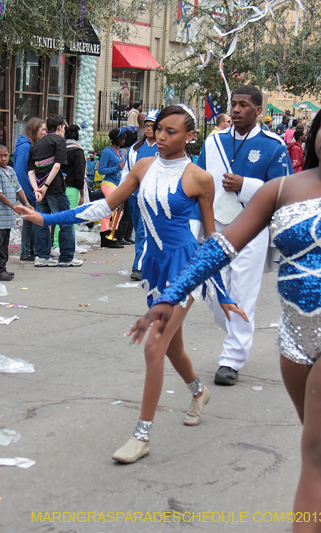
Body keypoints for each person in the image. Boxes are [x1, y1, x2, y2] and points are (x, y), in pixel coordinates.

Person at [128, 98, 321, 530]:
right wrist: (171, 295)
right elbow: (224, 243)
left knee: (318, 456)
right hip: (295, 339)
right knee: (320, 443)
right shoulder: (284, 189)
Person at [18, 105, 245, 464]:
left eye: (172, 132)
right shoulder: (142, 167)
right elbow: (104, 207)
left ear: (190, 136)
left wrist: (222, 291)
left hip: (183, 269)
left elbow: (211, 241)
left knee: (154, 347)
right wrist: (46, 219)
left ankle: (141, 436)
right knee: (171, 347)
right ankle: (199, 392)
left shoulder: (199, 178)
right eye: (159, 130)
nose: (162, 136)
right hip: (154, 268)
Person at [196, 85, 292, 386]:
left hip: (253, 228)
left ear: (258, 110)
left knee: (242, 296)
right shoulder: (213, 142)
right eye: (233, 104)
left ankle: (231, 360)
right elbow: (196, 183)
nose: (236, 110)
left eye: (243, 105)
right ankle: (239, 332)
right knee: (213, 292)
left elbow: (283, 192)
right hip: (217, 227)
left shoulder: (274, 145)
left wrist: (246, 186)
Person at [28, 114, 81, 267]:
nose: (65, 130)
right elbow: (57, 165)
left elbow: (30, 171)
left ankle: (43, 256)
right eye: (64, 127)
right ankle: (66, 257)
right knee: (65, 221)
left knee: (42, 222)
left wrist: (37, 189)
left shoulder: (36, 145)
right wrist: (46, 186)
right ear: (59, 127)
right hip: (55, 189)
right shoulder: (59, 141)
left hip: (40, 190)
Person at [122, 109, 159, 281]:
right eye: (147, 126)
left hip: (153, 198)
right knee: (139, 232)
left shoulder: (164, 148)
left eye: (153, 126)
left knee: (145, 232)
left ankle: (139, 267)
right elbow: (127, 173)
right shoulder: (134, 149)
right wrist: (122, 194)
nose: (149, 129)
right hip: (134, 196)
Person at [0, 145, 29, 281]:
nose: (3, 158)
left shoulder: (10, 170)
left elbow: (19, 188)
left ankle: (2, 269)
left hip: (7, 218)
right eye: (0, 156)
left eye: (5, 155)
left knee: (4, 244)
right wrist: (13, 206)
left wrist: (26, 204)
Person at [50, 124, 86, 255]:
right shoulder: (78, 151)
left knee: (61, 217)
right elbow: (79, 174)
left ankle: (67, 244)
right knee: (71, 218)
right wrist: (82, 193)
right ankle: (59, 245)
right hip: (72, 188)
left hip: (58, 186)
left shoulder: (60, 148)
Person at [13, 118, 46, 262]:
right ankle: (26, 251)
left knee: (30, 220)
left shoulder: (31, 146)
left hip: (30, 190)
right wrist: (31, 193)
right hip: (27, 190)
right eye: (42, 129)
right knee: (29, 220)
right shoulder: (25, 147)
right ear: (34, 130)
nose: (45, 133)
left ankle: (29, 250)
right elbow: (20, 172)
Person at [97, 128, 127, 248]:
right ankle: (106, 236)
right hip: (108, 183)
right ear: (118, 139)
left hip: (117, 184)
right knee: (110, 210)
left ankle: (112, 234)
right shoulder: (106, 152)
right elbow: (101, 170)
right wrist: (117, 168)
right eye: (123, 138)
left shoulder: (119, 151)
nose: (124, 140)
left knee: (118, 211)